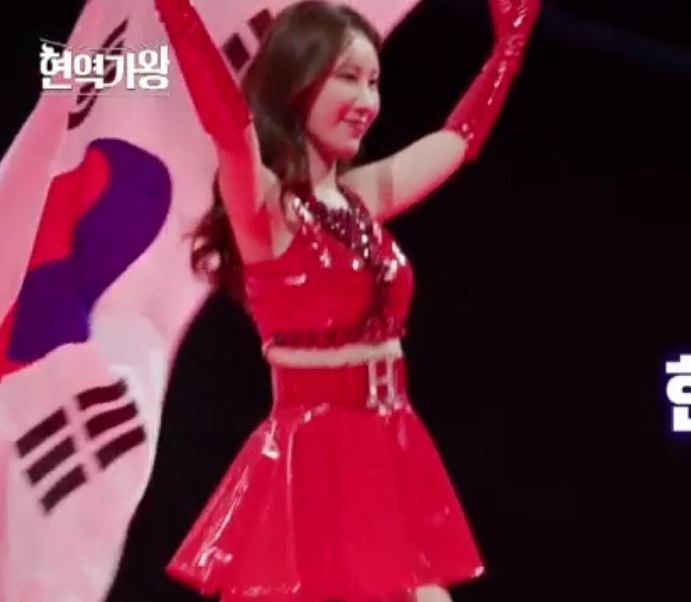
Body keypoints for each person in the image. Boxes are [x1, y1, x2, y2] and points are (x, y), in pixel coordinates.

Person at [153, 0, 540, 600]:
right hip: (312, 462)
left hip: (388, 446)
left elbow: (457, 141)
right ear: (296, 82)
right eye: (348, 77)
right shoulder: (267, 212)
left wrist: (509, 45)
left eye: (374, 81)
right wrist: (177, 14)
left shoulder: (359, 200)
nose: (367, 100)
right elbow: (229, 127)